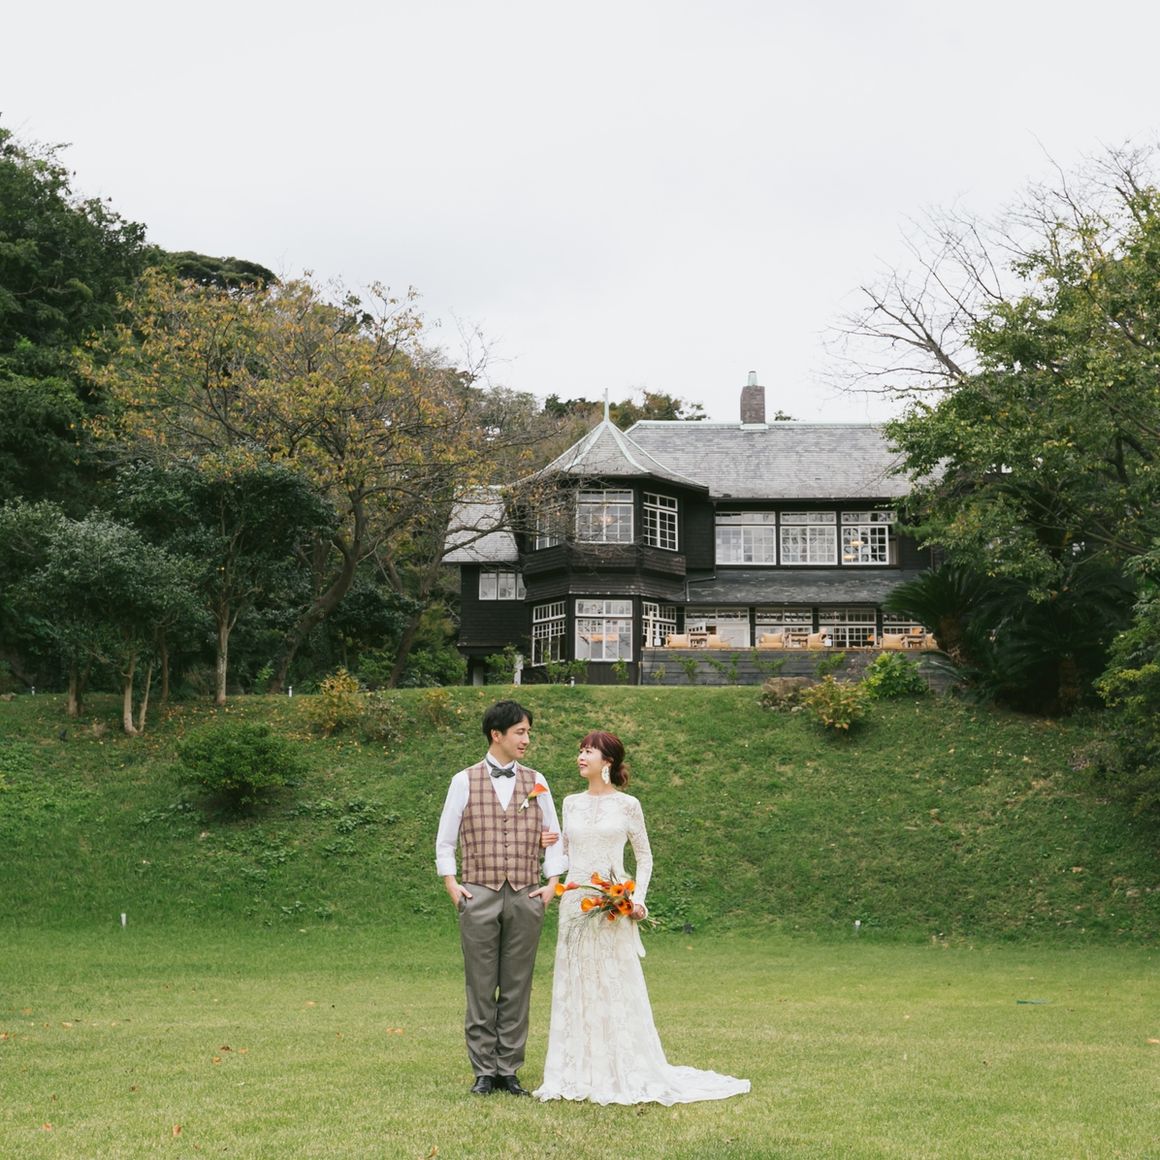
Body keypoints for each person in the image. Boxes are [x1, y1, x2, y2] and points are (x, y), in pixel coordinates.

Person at [533, 731, 750, 1105]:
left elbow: (645, 857)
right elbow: (565, 856)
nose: (581, 757)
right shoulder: (569, 803)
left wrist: (637, 901)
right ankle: (576, 1071)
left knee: (614, 982)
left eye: (589, 751)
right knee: (577, 983)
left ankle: (621, 1068)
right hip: (575, 904)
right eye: (580, 751)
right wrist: (547, 850)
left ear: (608, 761)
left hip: (612, 905)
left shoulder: (628, 805)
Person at [436, 699, 566, 1097]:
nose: (527, 739)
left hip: (526, 893)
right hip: (479, 893)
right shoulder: (463, 781)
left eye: (528, 732)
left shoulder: (538, 781)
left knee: (517, 985)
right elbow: (445, 840)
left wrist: (552, 884)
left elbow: (554, 836)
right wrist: (452, 885)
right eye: (520, 732)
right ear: (497, 735)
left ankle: (509, 1069)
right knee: (480, 986)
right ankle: (483, 1071)